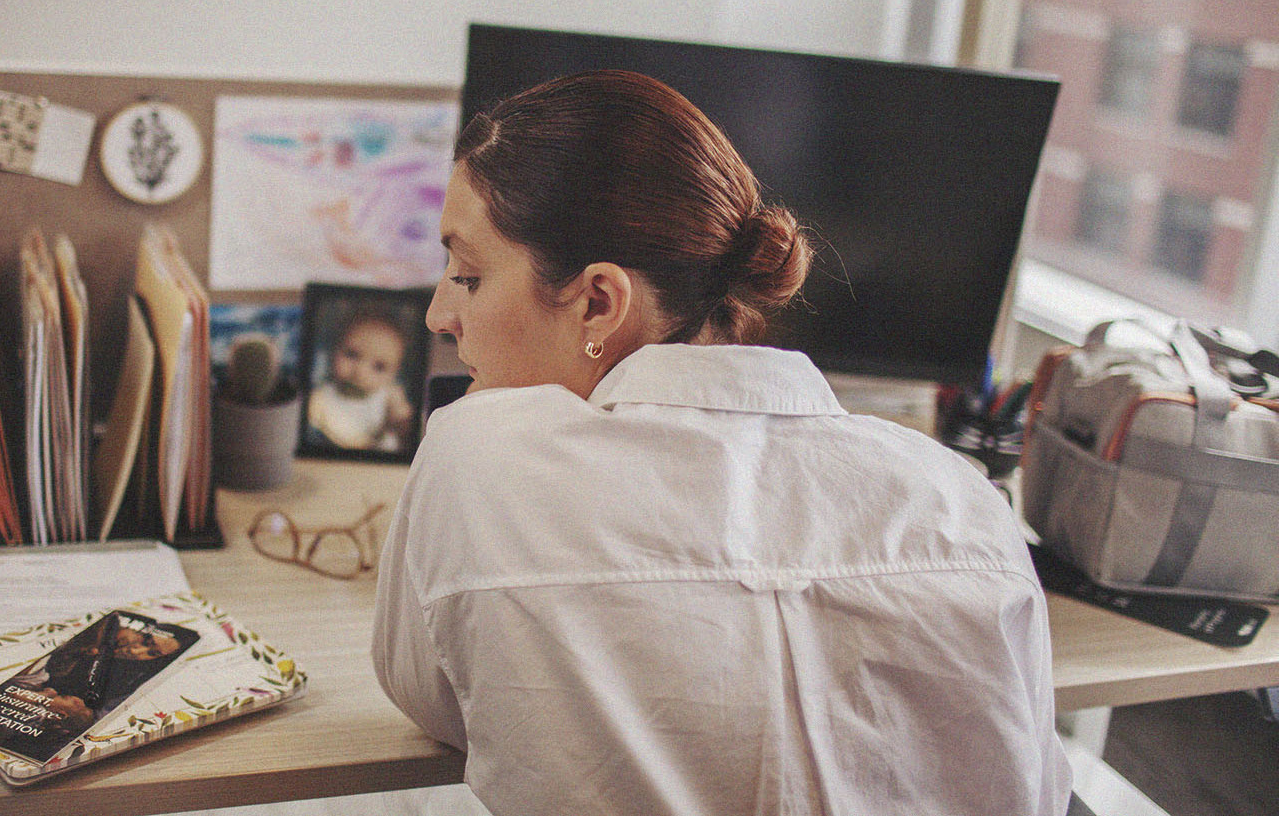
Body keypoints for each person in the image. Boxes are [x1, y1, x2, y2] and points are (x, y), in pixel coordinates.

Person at [371, 70, 1071, 815]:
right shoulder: (963, 499)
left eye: (469, 276)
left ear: (600, 302)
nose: (441, 314)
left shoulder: (478, 456)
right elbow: (1041, 787)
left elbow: (441, 705)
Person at [307, 309, 414, 451]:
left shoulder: (390, 398)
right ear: (333, 350)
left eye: (379, 367)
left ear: (394, 374)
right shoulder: (320, 398)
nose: (360, 373)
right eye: (351, 354)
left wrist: (399, 417)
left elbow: (404, 428)